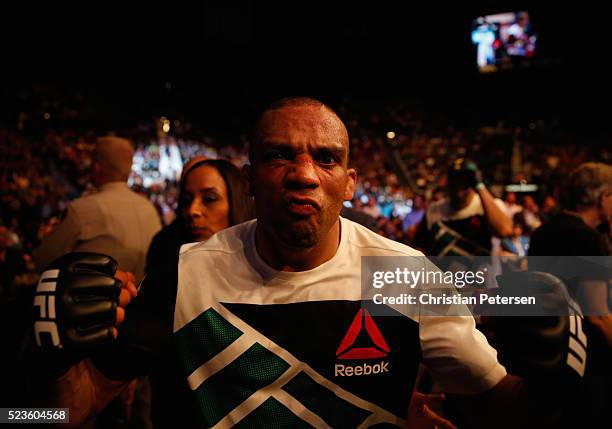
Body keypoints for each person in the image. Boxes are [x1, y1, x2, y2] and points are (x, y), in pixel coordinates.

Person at [36, 98, 569, 429]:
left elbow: (502, 409)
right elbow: (53, 416)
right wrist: (44, 369)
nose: (304, 174)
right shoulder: (184, 273)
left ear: (349, 183)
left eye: (327, 158)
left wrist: (555, 378)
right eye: (279, 155)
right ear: (249, 182)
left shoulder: (405, 276)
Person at [529, 162, 612, 429]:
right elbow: (597, 315)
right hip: (588, 362)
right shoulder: (588, 240)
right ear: (602, 197)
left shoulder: (543, 233)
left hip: (548, 352)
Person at [32, 136, 162, 281]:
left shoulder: (83, 209)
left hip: (94, 300)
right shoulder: (149, 208)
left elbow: (43, 260)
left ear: (96, 167)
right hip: (143, 299)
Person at [414, 158, 512, 256]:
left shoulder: (489, 206)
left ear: (473, 183)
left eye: (464, 183)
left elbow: (504, 230)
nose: (459, 189)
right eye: (455, 182)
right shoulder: (435, 209)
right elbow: (420, 246)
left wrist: (480, 186)